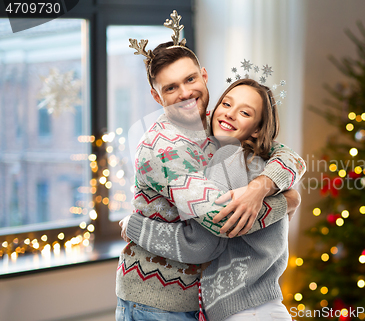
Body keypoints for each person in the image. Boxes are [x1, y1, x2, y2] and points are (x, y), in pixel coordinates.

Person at [116, 10, 305, 321]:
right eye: (171, 88)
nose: (186, 93)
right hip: (156, 304)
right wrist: (286, 201)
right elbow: (220, 223)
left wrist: (262, 186)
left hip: (201, 301)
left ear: (204, 75)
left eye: (190, 79)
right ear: (155, 96)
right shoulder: (163, 149)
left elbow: (287, 155)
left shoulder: (215, 124)